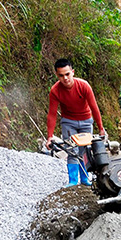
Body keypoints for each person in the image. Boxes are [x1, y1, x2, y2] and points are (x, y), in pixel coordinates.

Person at [46, 58, 106, 187]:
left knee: (84, 151)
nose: (65, 78)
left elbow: (94, 107)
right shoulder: (55, 91)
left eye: (67, 74)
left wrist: (101, 127)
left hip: (85, 121)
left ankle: (85, 178)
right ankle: (73, 181)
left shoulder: (83, 86)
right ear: (57, 75)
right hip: (68, 122)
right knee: (71, 151)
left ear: (72, 72)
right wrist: (50, 136)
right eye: (61, 75)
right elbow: (52, 114)